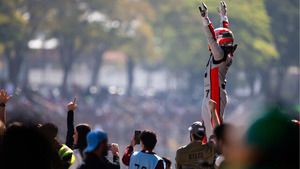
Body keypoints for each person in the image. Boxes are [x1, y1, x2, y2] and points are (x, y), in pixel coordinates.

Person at [198, 1, 238, 137]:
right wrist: (223, 17)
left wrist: (205, 18)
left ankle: (218, 154)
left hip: (215, 92)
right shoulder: (226, 53)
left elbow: (211, 38)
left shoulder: (219, 54)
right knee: (208, 129)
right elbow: (225, 33)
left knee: (215, 129)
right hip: (211, 93)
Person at [65, 98, 91, 169]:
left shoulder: (88, 155)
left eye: (75, 134)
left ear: (81, 136)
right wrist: (70, 111)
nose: (73, 136)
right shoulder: (71, 147)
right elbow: (70, 130)